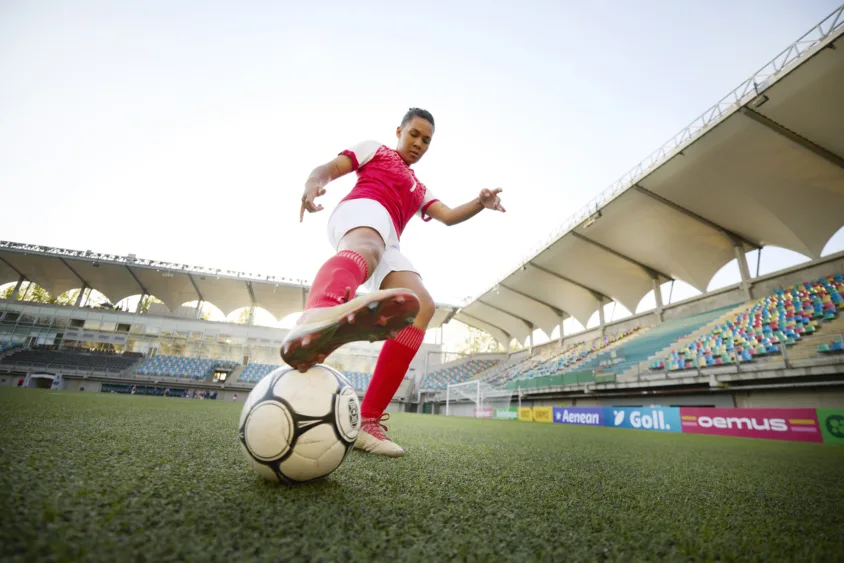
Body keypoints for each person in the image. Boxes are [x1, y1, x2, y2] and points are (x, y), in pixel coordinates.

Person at [283, 107, 505, 457]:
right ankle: (318, 314)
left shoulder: (419, 188)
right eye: (414, 134)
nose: (419, 143)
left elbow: (447, 216)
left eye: (426, 140)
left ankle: (367, 420)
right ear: (399, 131)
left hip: (390, 240)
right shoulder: (376, 149)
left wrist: (480, 202)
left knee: (422, 307)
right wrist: (314, 184)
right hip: (360, 211)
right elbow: (330, 168)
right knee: (367, 248)